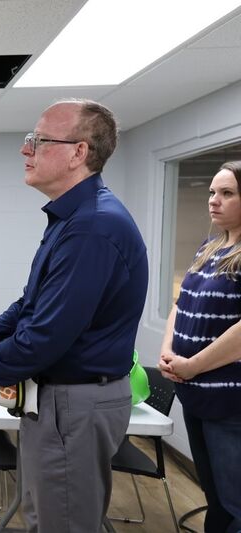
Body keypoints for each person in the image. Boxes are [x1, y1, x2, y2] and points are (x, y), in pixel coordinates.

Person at [0, 99, 149, 531]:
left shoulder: (92, 227)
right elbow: (30, 304)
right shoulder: (71, 218)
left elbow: (42, 339)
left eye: (38, 140)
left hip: (75, 404)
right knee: (43, 516)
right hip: (59, 402)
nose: (26, 149)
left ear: (79, 152)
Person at [159, 161, 241, 533]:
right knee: (215, 495)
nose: (213, 200)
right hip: (195, 394)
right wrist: (168, 352)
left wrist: (192, 365)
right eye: (212, 192)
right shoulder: (210, 247)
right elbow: (181, 303)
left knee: (235, 501)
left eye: (227, 193)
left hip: (229, 402)